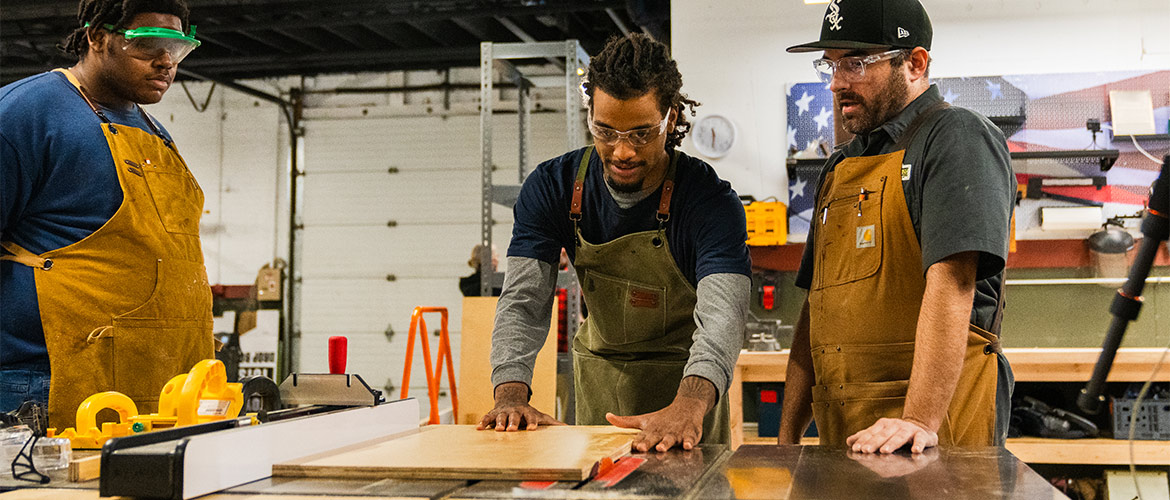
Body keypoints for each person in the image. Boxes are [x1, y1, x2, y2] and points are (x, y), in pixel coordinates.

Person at [478, 33, 752, 452]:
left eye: (642, 134)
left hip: (685, 393)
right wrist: (511, 396)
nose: (622, 151)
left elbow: (723, 314)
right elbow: (523, 301)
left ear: (672, 118)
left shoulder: (710, 201)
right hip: (600, 386)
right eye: (605, 131)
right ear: (590, 114)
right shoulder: (553, 188)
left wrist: (693, 402)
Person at [777, 0, 1016, 454]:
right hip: (847, 436)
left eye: (856, 63)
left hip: (932, 435)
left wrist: (918, 421)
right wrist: (786, 438)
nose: (836, 83)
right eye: (830, 65)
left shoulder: (955, 137)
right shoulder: (838, 167)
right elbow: (817, 309)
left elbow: (954, 282)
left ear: (915, 62)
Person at [0, 0, 213, 429]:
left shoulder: (154, 131)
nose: (165, 61)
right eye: (148, 44)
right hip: (47, 386)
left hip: (155, 386)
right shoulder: (25, 114)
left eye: (177, 48)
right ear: (97, 37)